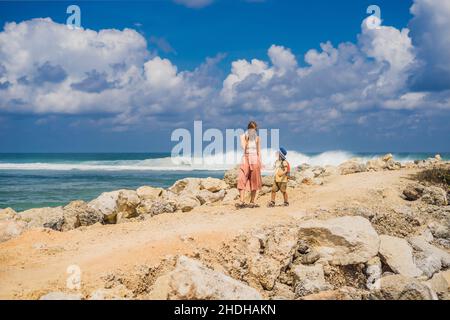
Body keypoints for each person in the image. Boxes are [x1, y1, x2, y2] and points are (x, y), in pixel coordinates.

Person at [236, 121, 262, 209]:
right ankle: (242, 201)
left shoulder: (258, 138)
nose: (253, 132)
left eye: (254, 130)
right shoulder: (243, 136)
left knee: (254, 180)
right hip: (245, 158)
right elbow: (243, 147)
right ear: (248, 129)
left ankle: (252, 201)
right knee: (241, 179)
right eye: (251, 130)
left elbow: (259, 151)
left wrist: (260, 162)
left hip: (255, 159)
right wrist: (247, 140)